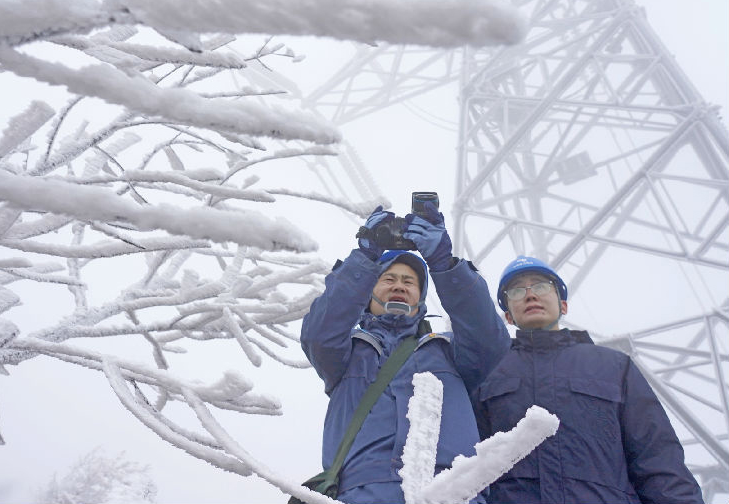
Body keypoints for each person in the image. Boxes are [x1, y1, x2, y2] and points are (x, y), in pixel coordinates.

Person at [301, 203, 510, 504]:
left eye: (409, 281)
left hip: (450, 492)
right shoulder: (346, 355)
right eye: (388, 279)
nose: (399, 285)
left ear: (421, 299)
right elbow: (318, 333)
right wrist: (364, 257)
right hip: (361, 493)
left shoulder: (449, 351)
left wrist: (444, 264)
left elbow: (489, 340)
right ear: (367, 294)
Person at [474, 255, 705, 504]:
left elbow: (658, 460)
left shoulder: (614, 367)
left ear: (564, 306)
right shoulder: (487, 371)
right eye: (517, 291)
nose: (530, 295)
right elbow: (464, 466)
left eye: (541, 286)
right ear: (508, 316)